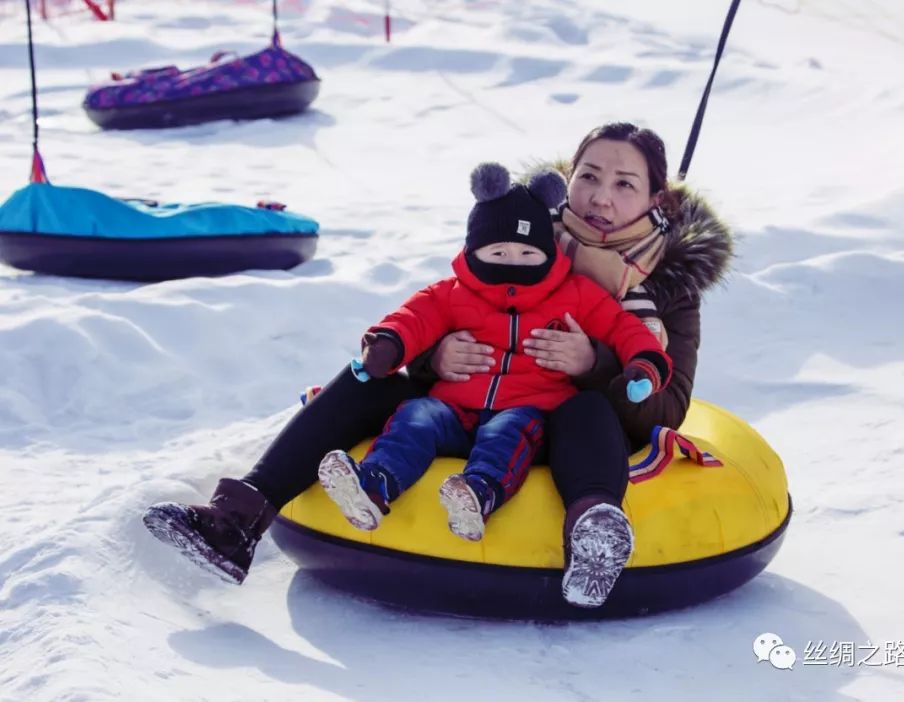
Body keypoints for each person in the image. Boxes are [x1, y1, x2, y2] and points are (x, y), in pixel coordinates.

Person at [142, 122, 732, 609]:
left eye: (625, 184)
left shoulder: (670, 286)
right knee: (370, 379)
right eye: (590, 177)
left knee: (583, 408)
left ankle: (593, 536)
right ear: (567, 182)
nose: (602, 197)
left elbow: (668, 409)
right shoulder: (520, 231)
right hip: (469, 406)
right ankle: (237, 519)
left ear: (657, 200)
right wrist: (431, 357)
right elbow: (445, 306)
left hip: (565, 432)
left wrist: (593, 364)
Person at [316, 162, 671, 543]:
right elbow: (413, 319)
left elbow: (624, 328)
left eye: (526, 253)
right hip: (454, 408)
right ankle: (374, 485)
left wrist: (644, 365)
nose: (513, 263)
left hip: (527, 409)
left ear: (547, 254)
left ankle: (478, 494)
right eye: (499, 253)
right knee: (416, 416)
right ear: (474, 249)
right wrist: (387, 345)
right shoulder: (452, 292)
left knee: (507, 433)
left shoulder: (576, 294)